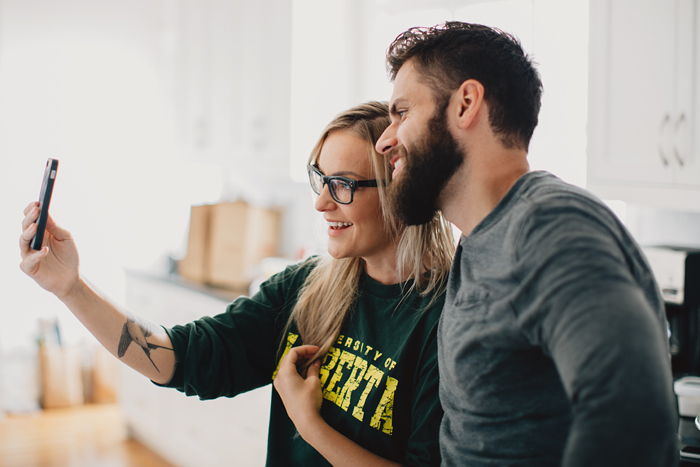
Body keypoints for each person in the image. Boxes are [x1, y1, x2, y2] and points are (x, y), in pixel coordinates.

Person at [19, 101, 455, 466]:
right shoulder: (305, 288)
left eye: (341, 185)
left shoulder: (444, 320)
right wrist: (70, 287)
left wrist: (308, 425)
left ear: (400, 189)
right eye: (319, 178)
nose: (321, 202)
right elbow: (185, 357)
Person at [374, 22, 678, 467]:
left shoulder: (547, 226)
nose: (386, 139)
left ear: (465, 104)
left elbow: (632, 411)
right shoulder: (482, 240)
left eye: (401, 113)